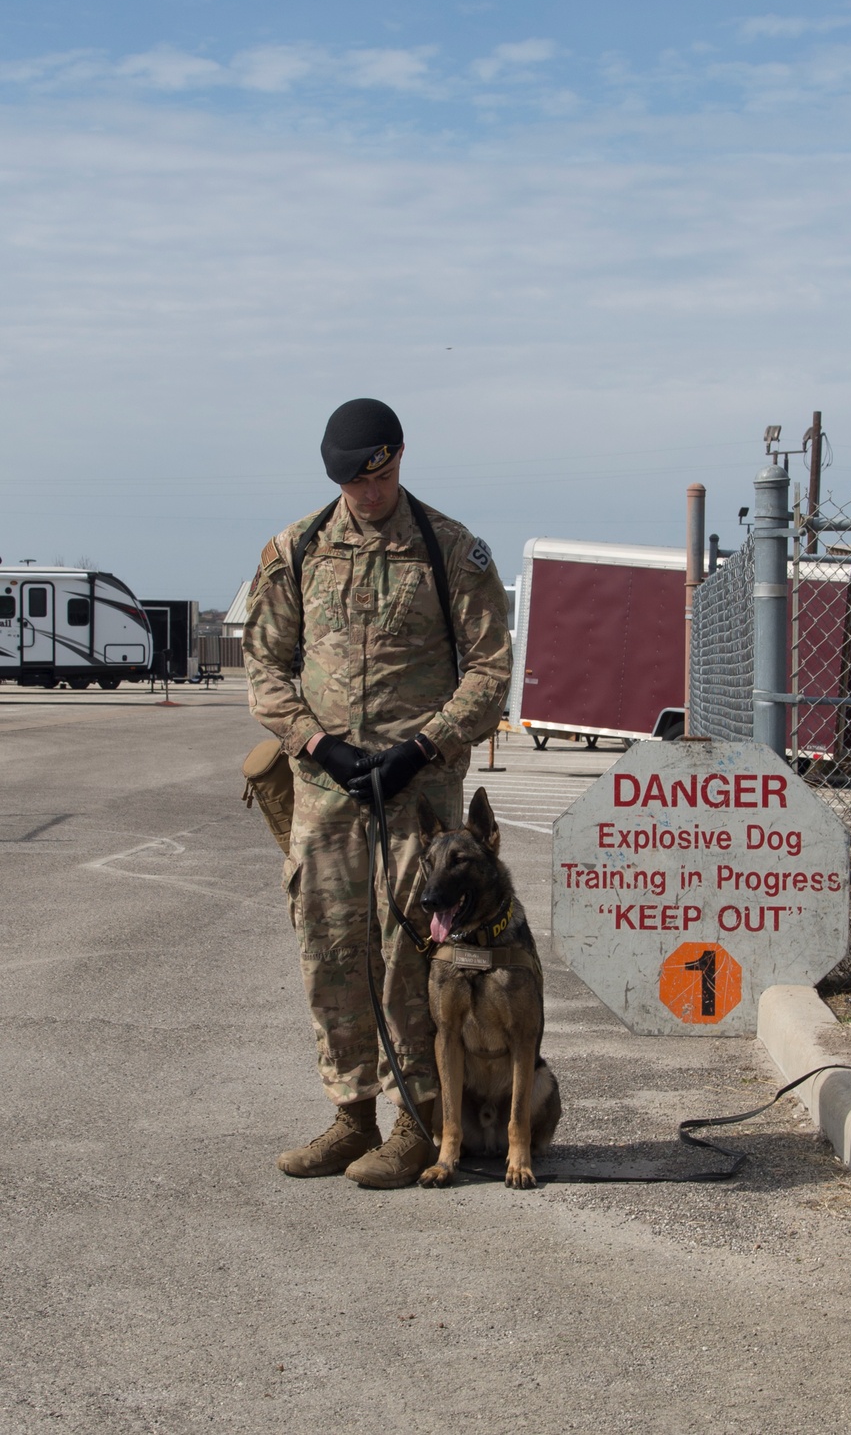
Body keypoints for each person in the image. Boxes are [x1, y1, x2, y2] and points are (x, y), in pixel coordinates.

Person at [242, 398, 512, 1188]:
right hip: (328, 792)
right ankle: (350, 1114)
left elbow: (491, 670)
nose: (370, 493)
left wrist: (424, 745)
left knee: (413, 959)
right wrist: (314, 741)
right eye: (355, 483)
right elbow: (265, 666)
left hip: (418, 797)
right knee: (329, 949)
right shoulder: (296, 550)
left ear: (398, 459)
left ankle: (420, 1123)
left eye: (382, 475)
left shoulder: (450, 550)